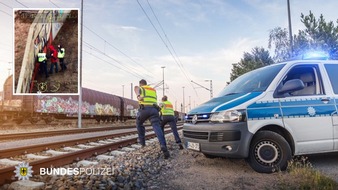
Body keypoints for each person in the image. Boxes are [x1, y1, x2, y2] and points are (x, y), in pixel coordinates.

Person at [134, 79, 170, 159]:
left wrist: (138, 96)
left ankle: (142, 144)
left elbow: (136, 88)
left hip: (144, 109)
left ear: (141, 84)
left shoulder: (141, 88)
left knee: (139, 123)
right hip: (154, 110)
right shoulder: (153, 90)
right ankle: (163, 145)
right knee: (157, 127)